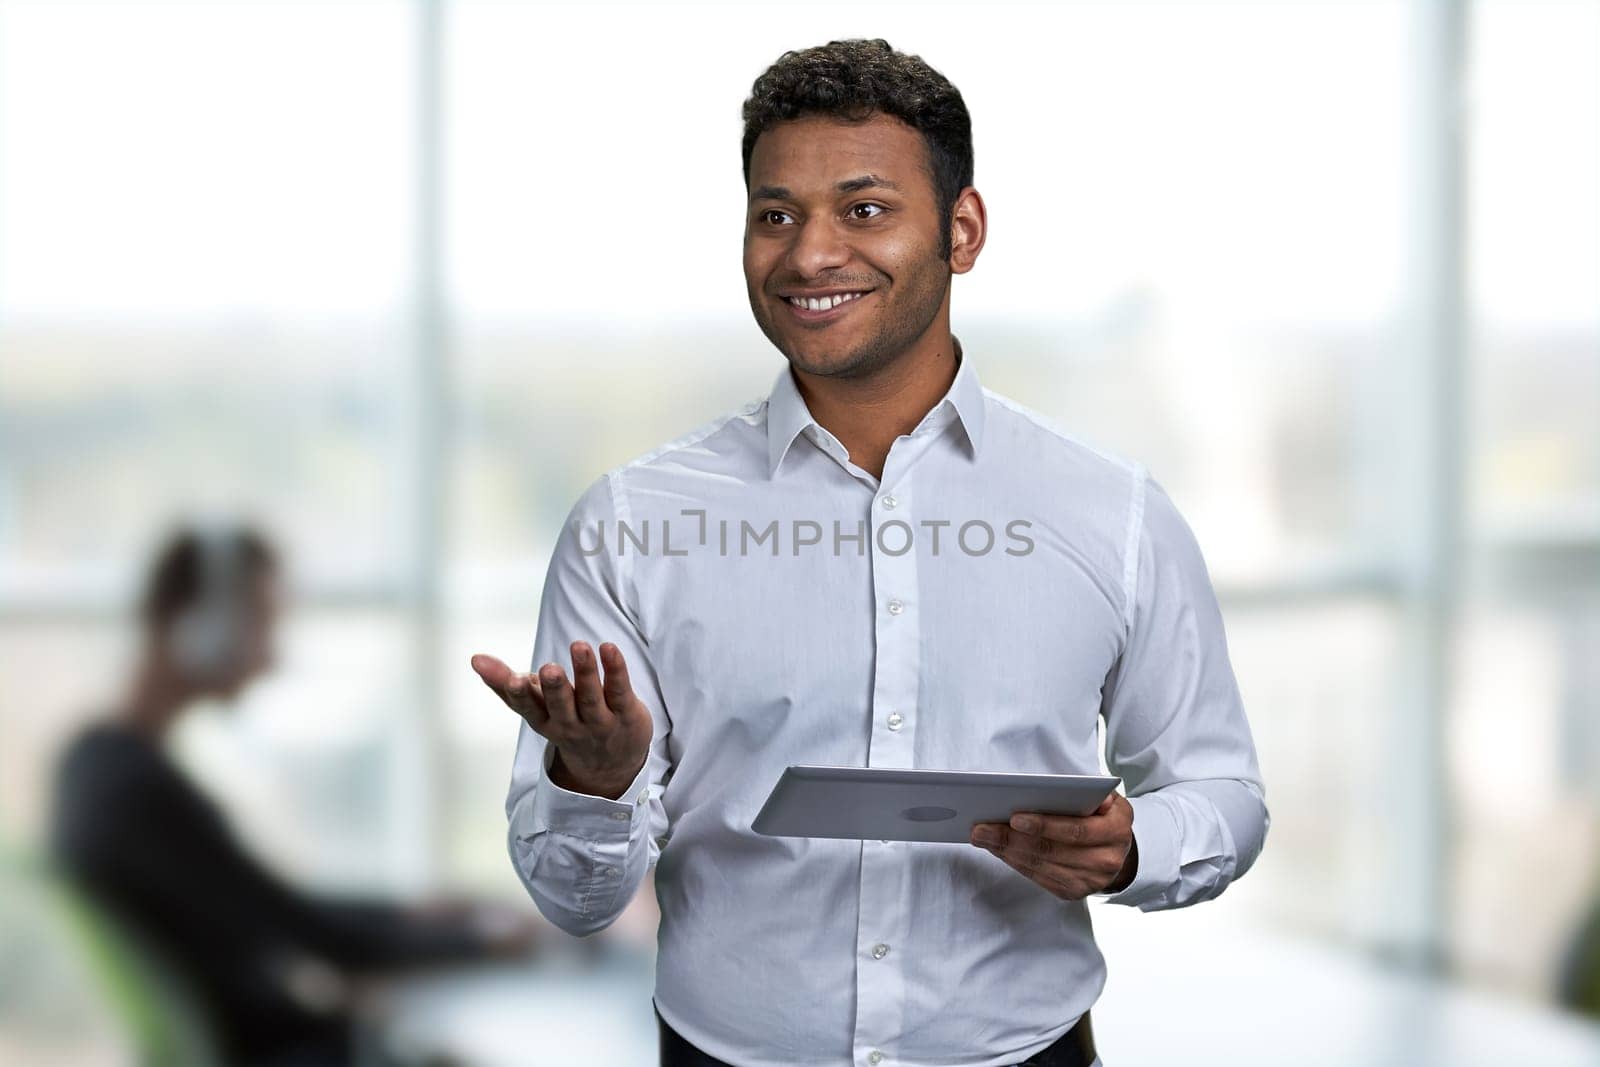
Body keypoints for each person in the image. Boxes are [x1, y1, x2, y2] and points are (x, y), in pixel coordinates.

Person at [472, 38, 1268, 1067]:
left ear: (962, 229)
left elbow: (1223, 791)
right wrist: (595, 775)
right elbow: (571, 898)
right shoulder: (630, 524)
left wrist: (1132, 847)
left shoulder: (1111, 512)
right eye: (775, 214)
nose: (808, 254)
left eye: (864, 209)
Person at [52, 521, 537, 1066]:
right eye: (260, 620)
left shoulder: (93, 764)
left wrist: (414, 915)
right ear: (199, 625)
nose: (270, 655)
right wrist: (488, 942)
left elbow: (268, 905)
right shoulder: (137, 789)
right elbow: (308, 930)